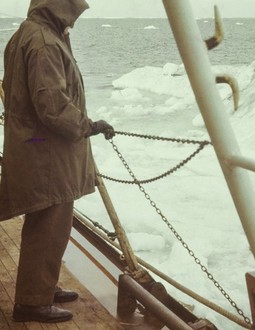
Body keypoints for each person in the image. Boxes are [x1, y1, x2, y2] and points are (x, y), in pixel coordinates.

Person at [0, 0, 114, 323]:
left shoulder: (29, 33)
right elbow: (52, 105)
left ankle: (42, 287)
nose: (74, 18)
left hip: (37, 149)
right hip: (46, 155)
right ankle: (32, 302)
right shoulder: (45, 41)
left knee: (50, 224)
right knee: (48, 225)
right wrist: (89, 126)